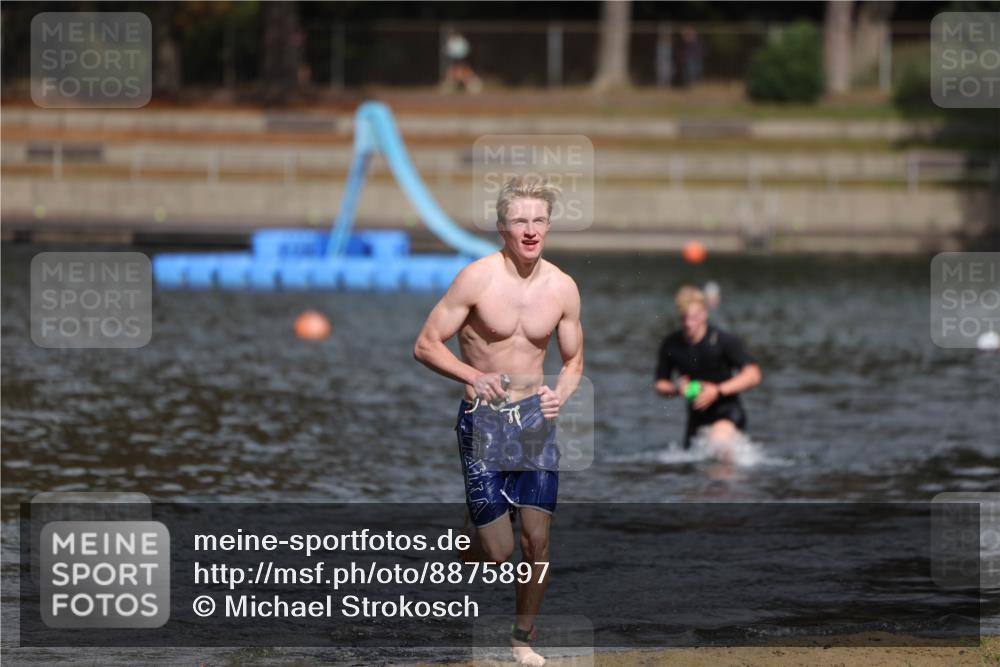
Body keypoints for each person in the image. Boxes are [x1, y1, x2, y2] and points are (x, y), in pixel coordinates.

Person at [414, 176, 583, 666]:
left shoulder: (563, 288)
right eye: (519, 221)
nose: (530, 230)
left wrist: (561, 396)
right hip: (483, 421)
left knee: (538, 540)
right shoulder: (476, 279)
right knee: (497, 552)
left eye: (538, 220)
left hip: (534, 423)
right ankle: (471, 535)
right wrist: (472, 373)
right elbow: (425, 344)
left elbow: (573, 362)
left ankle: (521, 641)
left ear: (548, 225)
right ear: (501, 227)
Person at [653, 285, 761, 457]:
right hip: (696, 416)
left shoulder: (722, 340)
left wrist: (717, 391)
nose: (689, 324)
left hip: (727, 410)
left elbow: (753, 374)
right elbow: (660, 384)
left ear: (704, 313)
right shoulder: (671, 345)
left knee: (717, 447)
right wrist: (676, 389)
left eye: (694, 318)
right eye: (684, 319)